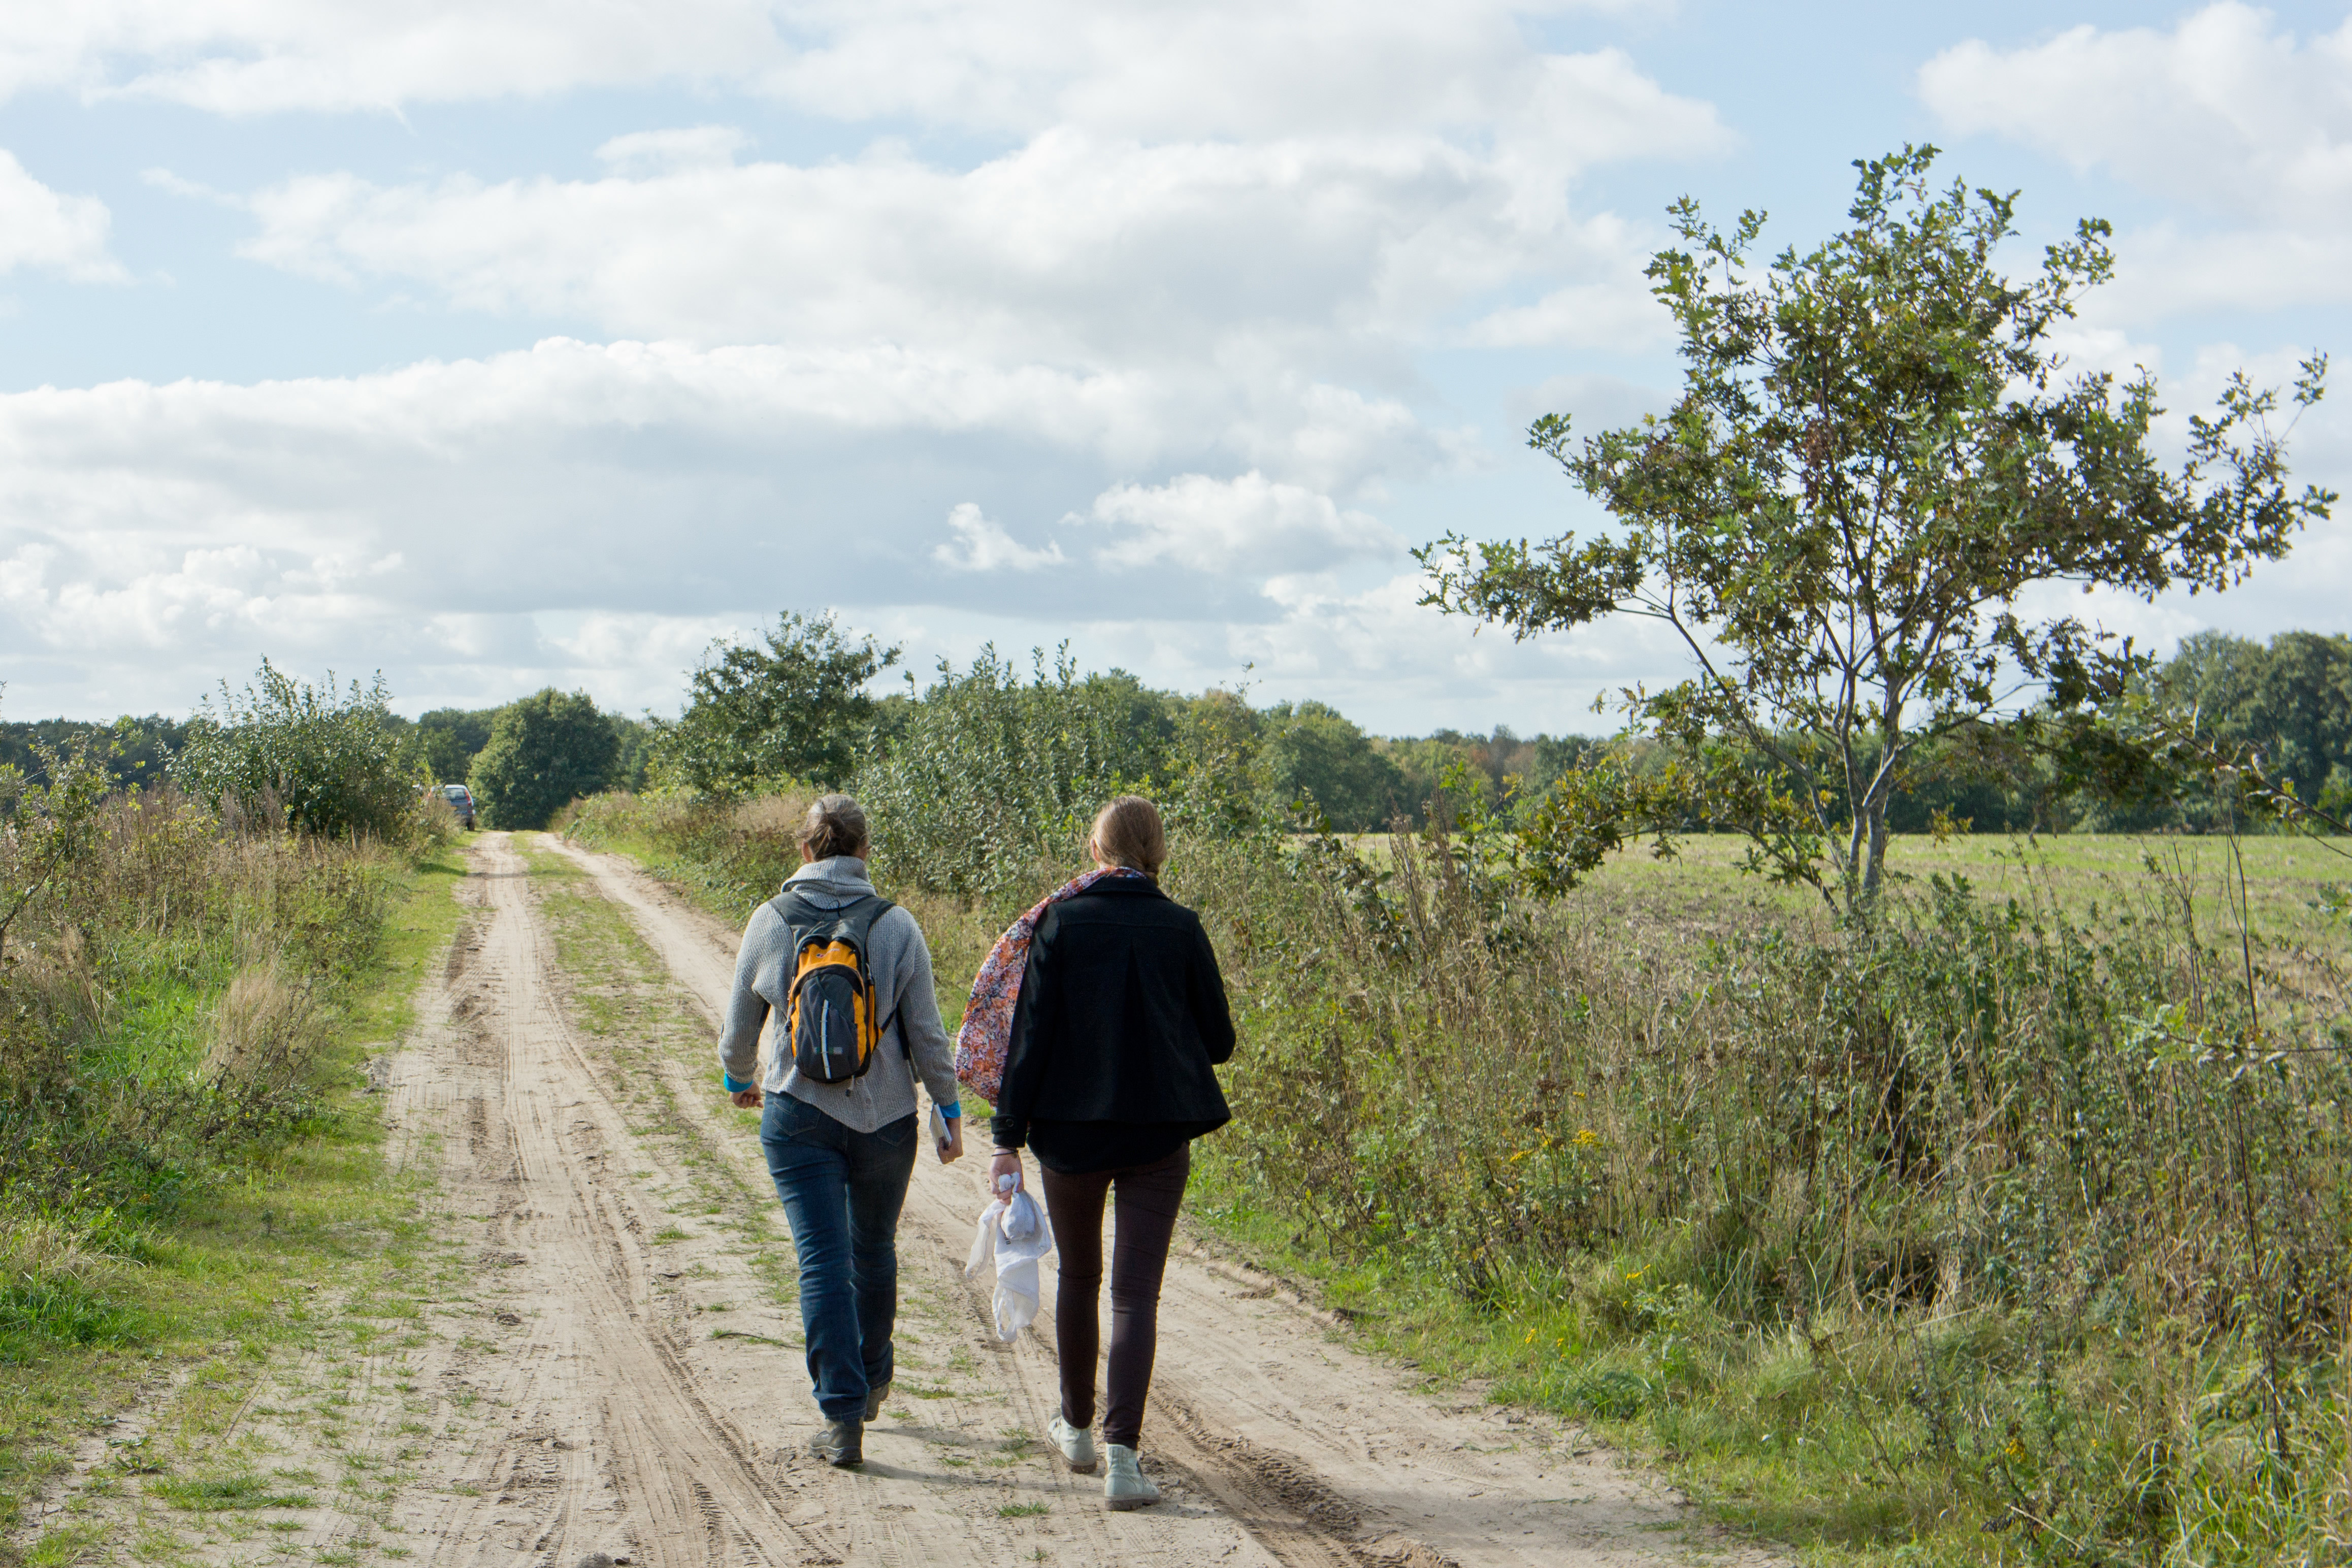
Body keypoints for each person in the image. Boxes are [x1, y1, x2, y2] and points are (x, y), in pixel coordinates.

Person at [987, 795, 1235, 1510]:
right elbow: (1219, 1042)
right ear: (1160, 852)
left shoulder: (1061, 923)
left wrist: (1007, 1137)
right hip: (1158, 1136)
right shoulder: (1183, 928)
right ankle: (1125, 1460)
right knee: (1135, 1296)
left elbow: (1028, 1045)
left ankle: (1074, 1429)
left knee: (1079, 1279)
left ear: (1097, 853)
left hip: (1070, 1136)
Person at [719, 793, 964, 1468]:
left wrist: (740, 1080)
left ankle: (841, 1416)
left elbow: (740, 1030)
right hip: (886, 1118)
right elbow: (927, 1032)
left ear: (805, 851)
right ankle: (875, 1373)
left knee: (822, 1261)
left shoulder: (770, 920)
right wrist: (948, 1108)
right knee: (873, 1249)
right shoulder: (896, 925)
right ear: (863, 852)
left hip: (797, 1117)